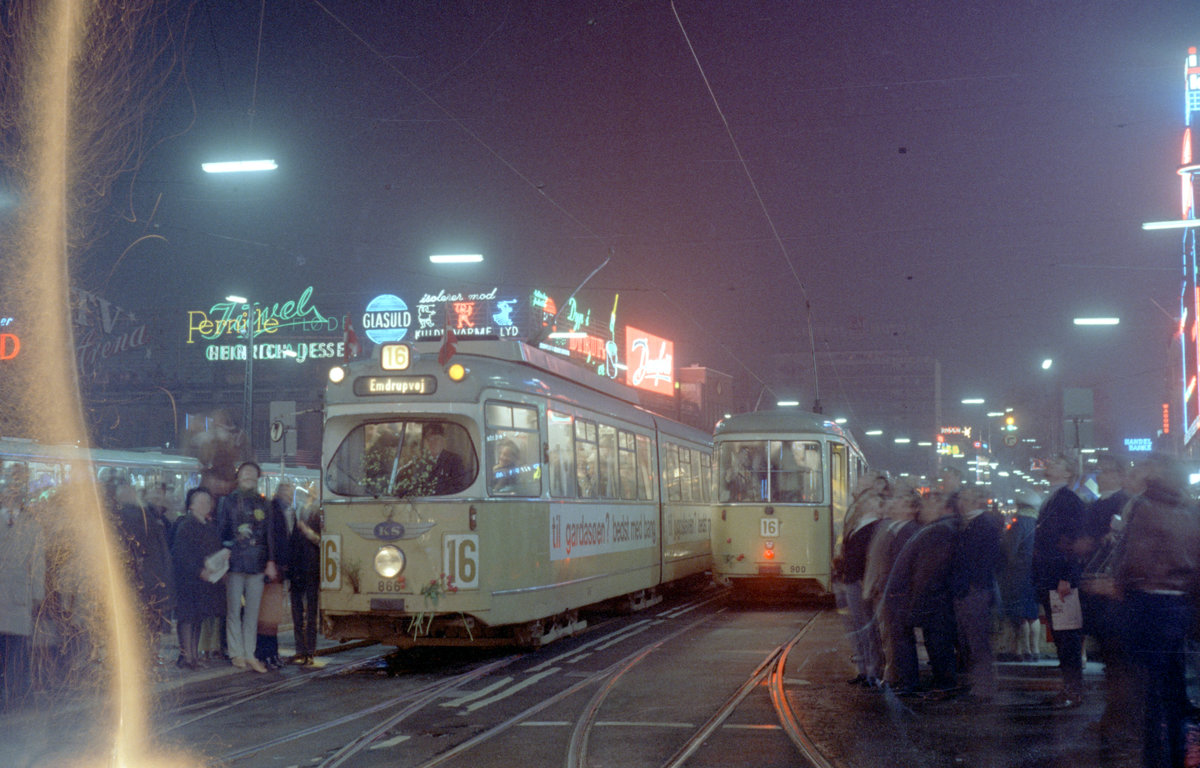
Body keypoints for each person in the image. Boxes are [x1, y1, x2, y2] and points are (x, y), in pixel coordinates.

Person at [1112, 456, 1200, 768]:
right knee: (1173, 687)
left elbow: (1135, 559)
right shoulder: (1188, 510)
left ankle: (1154, 756)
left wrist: (1118, 583)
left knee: (1149, 689)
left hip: (1149, 605)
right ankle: (1175, 752)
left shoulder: (1145, 507)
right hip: (1179, 604)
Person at [1031, 453, 1087, 708]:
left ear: (1067, 473)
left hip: (1059, 578)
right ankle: (1069, 688)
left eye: (1056, 463)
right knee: (1061, 634)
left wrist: (1067, 576)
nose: (1049, 464)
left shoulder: (1067, 500)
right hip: (1051, 576)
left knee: (1066, 635)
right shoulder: (1055, 497)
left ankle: (1073, 690)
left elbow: (1073, 541)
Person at [216, 462, 279, 673]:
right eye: (246, 472)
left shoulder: (265, 503)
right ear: (239, 476)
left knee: (252, 612)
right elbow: (222, 530)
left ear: (257, 478)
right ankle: (236, 652)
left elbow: (269, 534)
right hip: (234, 562)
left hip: (258, 563)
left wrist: (270, 561)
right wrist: (228, 548)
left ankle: (249, 653)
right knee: (233, 610)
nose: (249, 476)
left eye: (253, 473)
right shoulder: (227, 501)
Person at [834, 473, 888, 688]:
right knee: (859, 627)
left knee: (867, 628)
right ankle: (864, 669)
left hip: (861, 582)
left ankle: (873, 670)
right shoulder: (859, 524)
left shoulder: (875, 526)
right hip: (851, 580)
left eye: (873, 500)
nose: (869, 502)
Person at [112, 478, 174, 664]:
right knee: (149, 618)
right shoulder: (141, 515)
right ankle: (147, 655)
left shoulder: (131, 515)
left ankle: (139, 656)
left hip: (141, 577)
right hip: (148, 577)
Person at [951, 485, 1003, 701]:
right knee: (971, 640)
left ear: (976, 501)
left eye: (965, 498)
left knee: (977, 641)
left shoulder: (982, 524)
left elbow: (985, 559)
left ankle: (983, 687)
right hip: (970, 588)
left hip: (974, 590)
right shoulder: (972, 523)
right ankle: (978, 685)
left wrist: (973, 583)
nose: (960, 503)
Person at [0, 465, 44, 710]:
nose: (12, 495)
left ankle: (18, 693)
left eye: (16, 491)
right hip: (8, 594)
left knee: (17, 647)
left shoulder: (32, 525)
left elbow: (38, 562)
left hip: (18, 594)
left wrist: (37, 593)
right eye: (9, 490)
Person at [170, 488, 226, 669]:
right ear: (191, 506)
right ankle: (187, 657)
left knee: (197, 618)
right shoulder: (186, 524)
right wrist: (198, 570)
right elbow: (181, 554)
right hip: (188, 580)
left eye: (207, 502)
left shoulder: (207, 525)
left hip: (203, 581)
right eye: (201, 502)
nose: (205, 505)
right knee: (187, 619)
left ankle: (193, 656)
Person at [997, 490, 1042, 662]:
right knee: (1033, 614)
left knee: (1020, 614)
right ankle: (1035, 650)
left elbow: (1010, 551)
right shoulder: (1039, 524)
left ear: (1020, 505)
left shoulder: (1019, 524)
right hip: (1035, 574)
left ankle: (1022, 651)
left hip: (1018, 574)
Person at [255, 481, 293, 670]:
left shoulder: (280, 510)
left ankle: (271, 652)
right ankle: (267, 653)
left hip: (277, 568)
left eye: (291, 494)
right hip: (273, 569)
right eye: (287, 493)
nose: (290, 497)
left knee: (272, 615)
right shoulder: (274, 510)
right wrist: (273, 563)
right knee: (269, 615)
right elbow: (273, 539)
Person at [288, 500, 322, 666]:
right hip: (298, 569)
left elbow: (321, 541)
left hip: (310, 569)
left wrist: (307, 531)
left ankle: (307, 650)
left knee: (308, 612)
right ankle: (302, 649)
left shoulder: (317, 515)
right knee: (300, 612)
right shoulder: (294, 516)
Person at [423, 424, 467, 495]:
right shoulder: (422, 461)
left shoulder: (454, 460)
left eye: (436, 439)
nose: (433, 443)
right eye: (429, 440)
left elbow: (459, 487)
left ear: (443, 440)